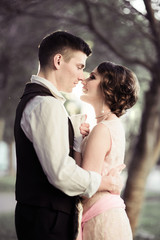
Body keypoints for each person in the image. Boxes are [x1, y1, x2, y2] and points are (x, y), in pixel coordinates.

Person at [14, 31, 124, 240]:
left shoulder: (37, 100)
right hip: (47, 222)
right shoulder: (46, 104)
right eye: (79, 67)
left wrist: (72, 129)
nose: (81, 76)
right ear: (58, 61)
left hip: (41, 217)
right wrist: (104, 183)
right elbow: (61, 173)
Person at [75, 61, 140, 240]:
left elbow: (84, 186)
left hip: (102, 223)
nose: (84, 79)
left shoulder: (102, 129)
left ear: (108, 89)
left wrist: (76, 144)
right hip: (105, 216)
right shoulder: (110, 126)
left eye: (92, 77)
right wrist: (80, 141)